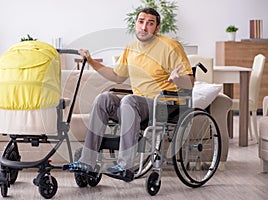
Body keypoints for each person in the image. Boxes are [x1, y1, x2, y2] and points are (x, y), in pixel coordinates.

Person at [63, 7, 194, 182]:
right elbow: (117, 76)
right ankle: (87, 161)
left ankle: (125, 166)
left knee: (129, 100)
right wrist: (91, 61)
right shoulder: (131, 49)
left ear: (157, 28)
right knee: (104, 98)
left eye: (150, 23)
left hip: (164, 106)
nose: (144, 27)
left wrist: (177, 79)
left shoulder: (170, 47)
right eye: (141, 22)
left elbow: (190, 83)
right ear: (135, 24)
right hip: (137, 108)